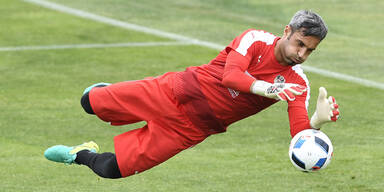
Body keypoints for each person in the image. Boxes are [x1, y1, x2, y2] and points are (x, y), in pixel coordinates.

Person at [44, 10, 340, 179]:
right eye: (299, 44)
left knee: (111, 170)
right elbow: (232, 76)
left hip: (191, 128)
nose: (302, 54)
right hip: (175, 91)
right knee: (89, 102)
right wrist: (271, 89)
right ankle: (105, 92)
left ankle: (79, 154)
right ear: (287, 31)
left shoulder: (297, 83)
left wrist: (316, 121)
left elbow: (298, 137)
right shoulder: (255, 39)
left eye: (310, 50)